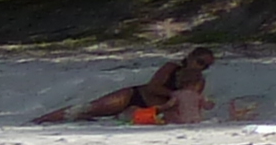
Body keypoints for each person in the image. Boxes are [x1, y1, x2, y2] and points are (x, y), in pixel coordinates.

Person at [38, 45, 220, 124]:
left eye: (206, 65)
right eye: (200, 61)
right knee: (90, 108)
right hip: (136, 95)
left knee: (103, 117)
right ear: (190, 58)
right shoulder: (171, 67)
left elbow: (191, 104)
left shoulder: (199, 81)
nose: (202, 67)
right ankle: (42, 120)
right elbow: (152, 87)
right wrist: (174, 95)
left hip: (154, 109)